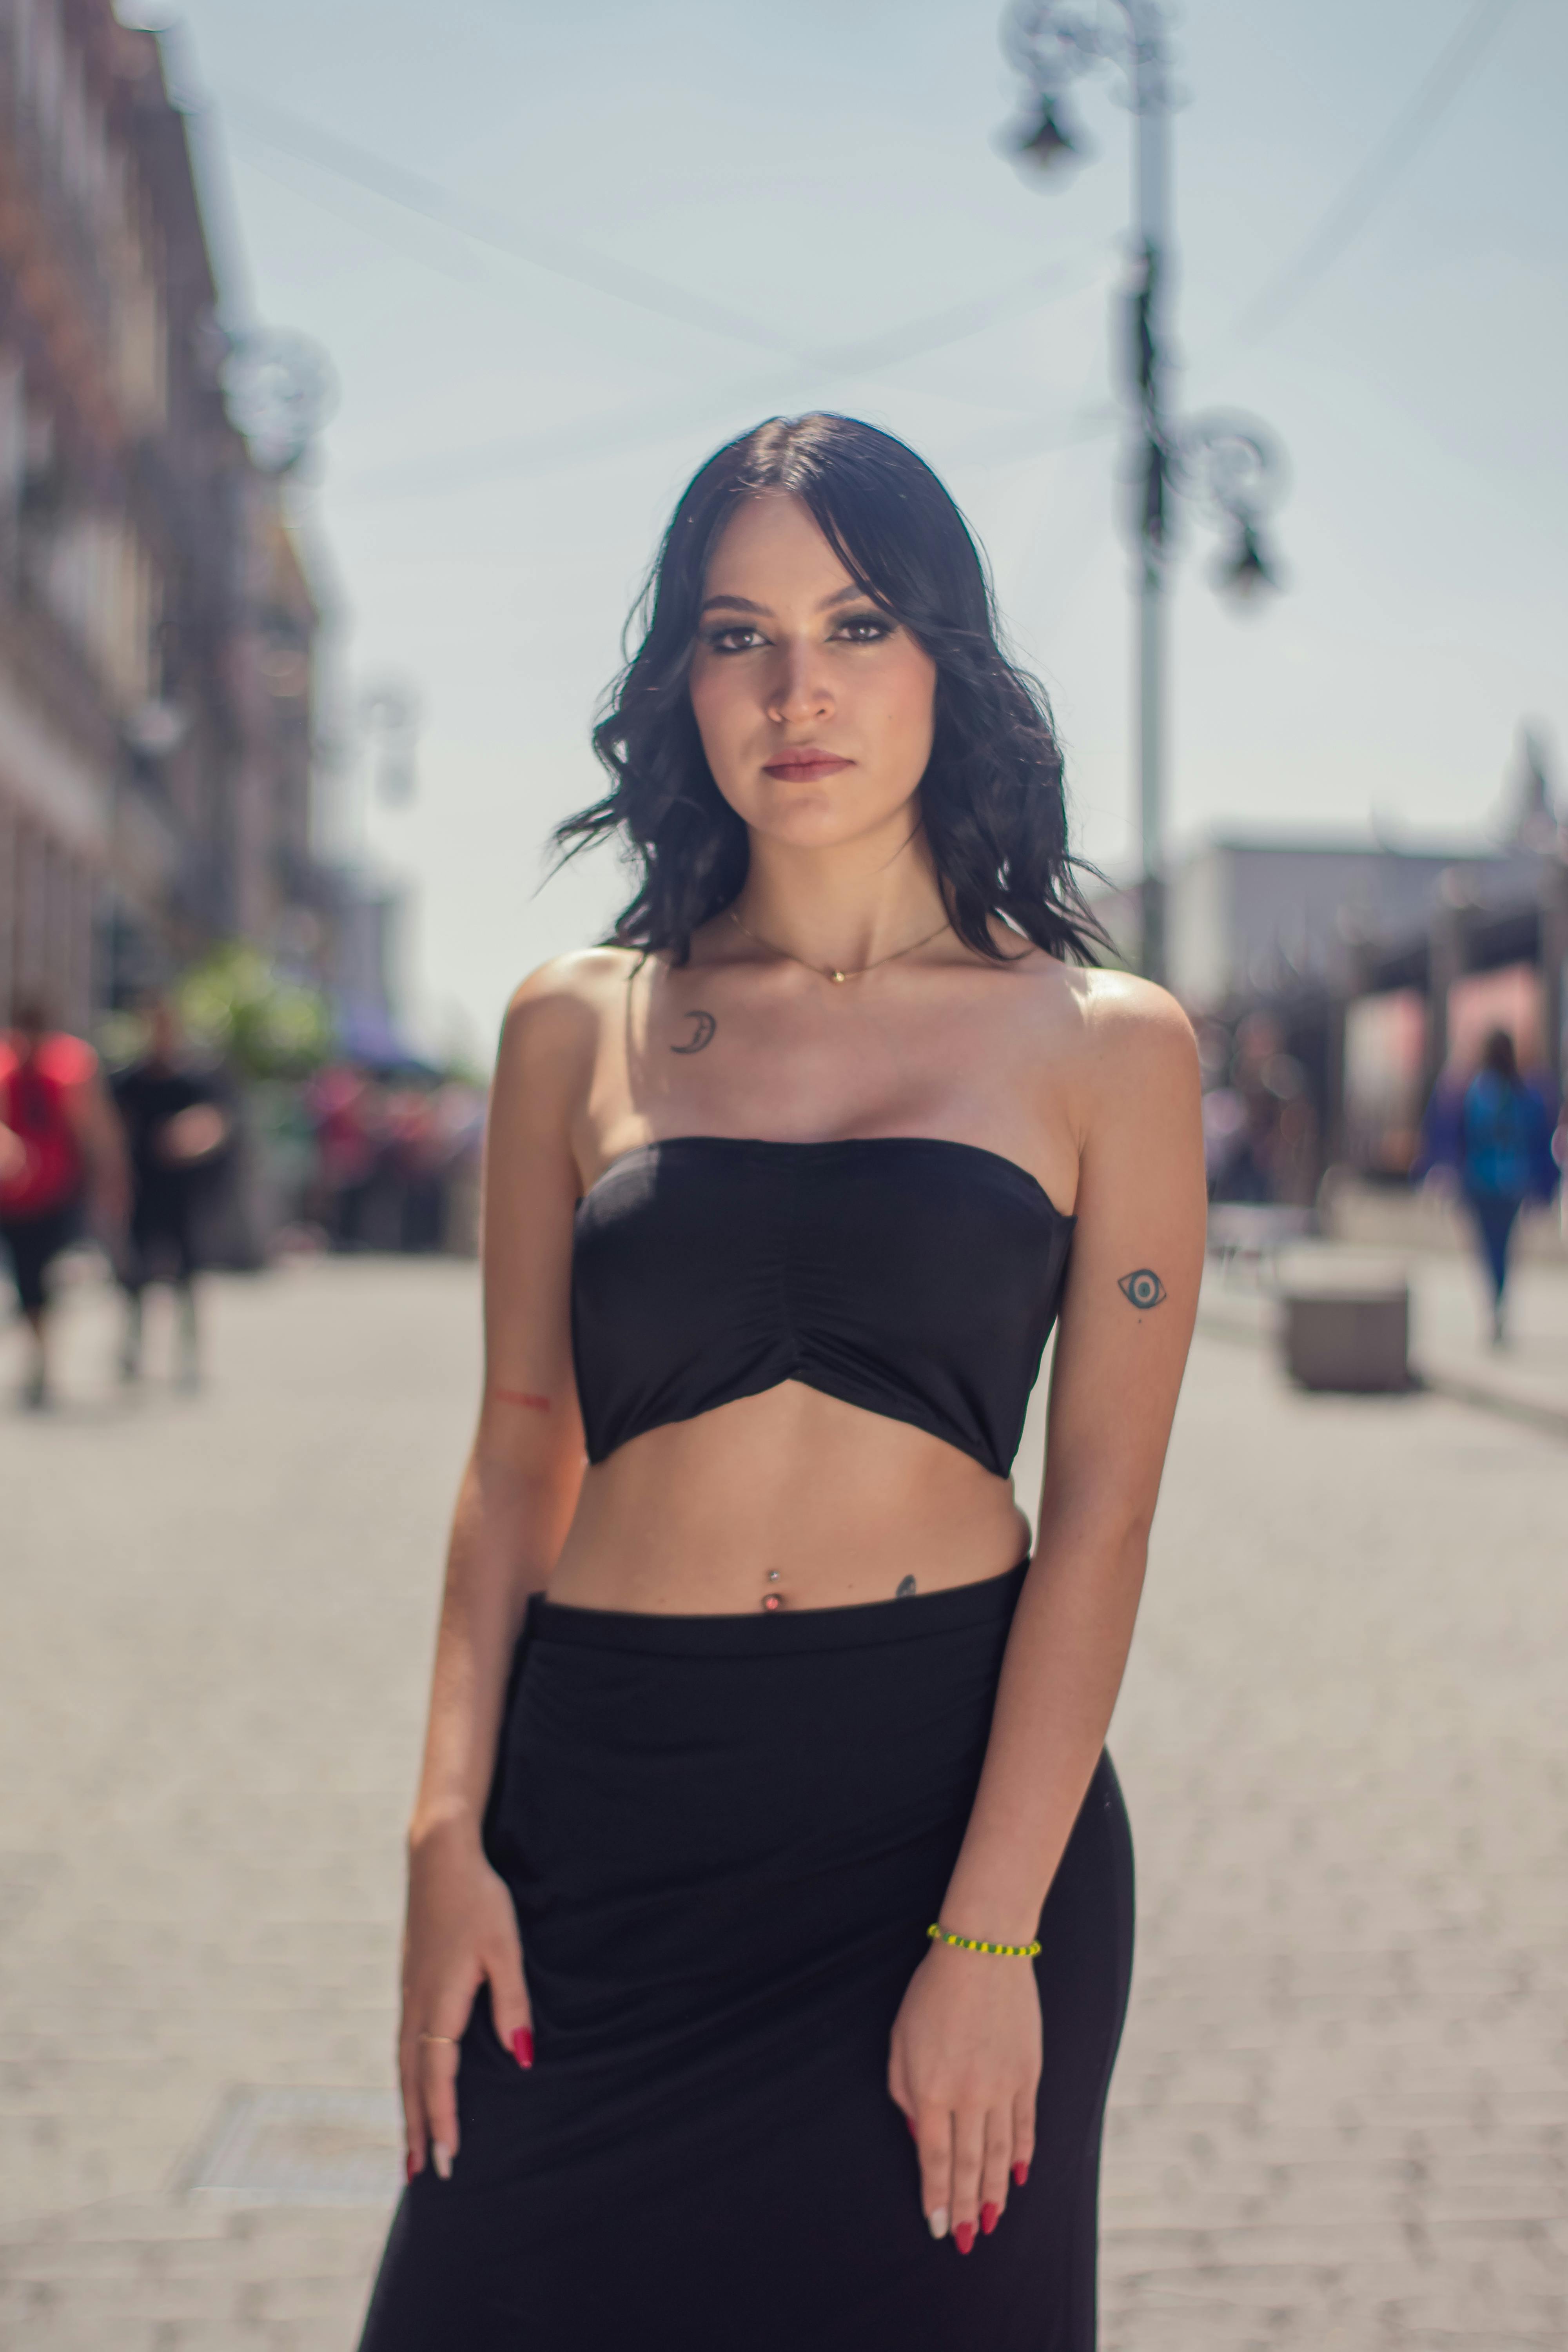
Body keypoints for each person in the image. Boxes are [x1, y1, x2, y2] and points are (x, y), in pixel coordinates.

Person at [357, 414, 1205, 2352]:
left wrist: (989, 1935)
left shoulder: (1102, 1047)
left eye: (855, 623)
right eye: (737, 635)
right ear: (681, 683)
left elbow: (1103, 1513)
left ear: (944, 665)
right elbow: (515, 1448)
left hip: (934, 1819)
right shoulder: (576, 1027)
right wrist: (443, 1829)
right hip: (602, 1827)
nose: (795, 687)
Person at [0, 994, 127, 1408]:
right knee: (26, 1278)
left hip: (60, 1192)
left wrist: (109, 1181)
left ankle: (45, 1355)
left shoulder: (71, 1065)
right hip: (13, 1196)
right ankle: (37, 1356)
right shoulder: (4, 1066)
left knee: (52, 1276)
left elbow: (93, 1128)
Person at [111, 995, 230, 1387]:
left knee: (188, 1276)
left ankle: (190, 1355)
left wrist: (192, 1136)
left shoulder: (195, 1081)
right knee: (135, 1276)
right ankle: (133, 1350)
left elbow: (217, 1124)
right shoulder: (130, 1080)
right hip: (143, 1189)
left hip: (184, 1192)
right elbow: (112, 1131)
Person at [1458, 1028, 1557, 1344]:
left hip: (1481, 1182)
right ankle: (1499, 1299)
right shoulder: (1525, 1094)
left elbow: (1462, 1139)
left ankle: (1495, 1300)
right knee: (1504, 1246)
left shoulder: (1475, 1091)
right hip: (1513, 1182)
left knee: (1488, 1247)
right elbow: (1540, 1141)